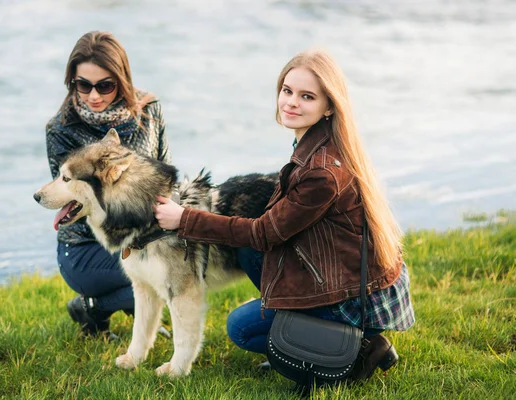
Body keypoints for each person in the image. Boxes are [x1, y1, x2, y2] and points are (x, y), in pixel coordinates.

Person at [153, 48, 415, 381]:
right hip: (346, 276)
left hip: (352, 298)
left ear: (329, 106)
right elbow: (267, 232)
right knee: (249, 250)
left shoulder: (322, 171)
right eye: (287, 91)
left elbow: (265, 233)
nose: (290, 102)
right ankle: (320, 333)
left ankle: (354, 351)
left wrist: (184, 219)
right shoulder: (318, 144)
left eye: (306, 96)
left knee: (242, 328)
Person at [45, 31, 171, 340]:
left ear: (121, 78)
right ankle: (95, 305)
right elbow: (75, 202)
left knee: (177, 270)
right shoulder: (60, 129)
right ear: (72, 81)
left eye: (104, 85)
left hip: (149, 233)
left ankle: (109, 306)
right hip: (88, 246)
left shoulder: (149, 110)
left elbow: (166, 178)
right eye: (83, 85)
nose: (93, 95)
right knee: (158, 278)